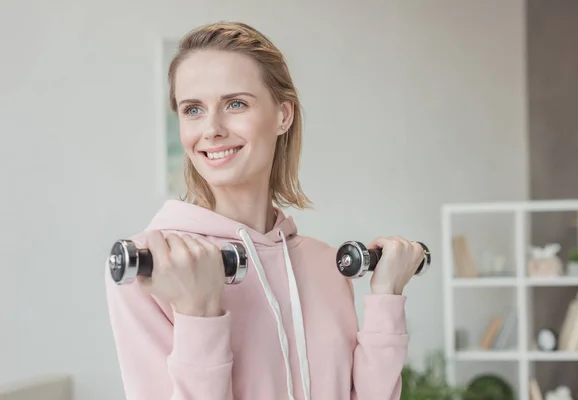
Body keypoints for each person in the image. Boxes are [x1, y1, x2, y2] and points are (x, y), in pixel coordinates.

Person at [104, 21, 424, 400]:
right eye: (193, 109)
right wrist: (198, 314)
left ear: (283, 116)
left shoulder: (326, 265)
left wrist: (386, 297)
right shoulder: (152, 266)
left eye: (235, 104)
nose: (211, 129)